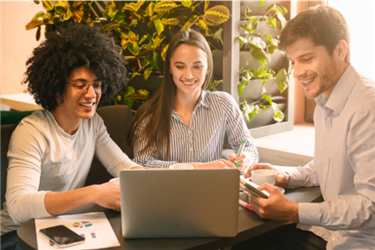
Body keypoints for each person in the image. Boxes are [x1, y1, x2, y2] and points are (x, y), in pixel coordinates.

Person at [234, 5, 375, 250]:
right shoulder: (324, 102)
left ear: (340, 50)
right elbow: (326, 168)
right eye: (293, 61)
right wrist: (286, 177)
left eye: (307, 59)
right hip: (328, 234)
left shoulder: (367, 108)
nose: (297, 72)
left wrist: (294, 210)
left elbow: (370, 207)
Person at [0, 25, 143, 250]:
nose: (91, 93)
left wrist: (152, 184)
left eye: (97, 85)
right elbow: (19, 206)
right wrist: (95, 193)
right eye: (80, 85)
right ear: (58, 89)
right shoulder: (31, 132)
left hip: (66, 228)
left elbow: (122, 166)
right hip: (17, 236)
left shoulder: (93, 124)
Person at [128, 30, 259, 172]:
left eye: (197, 66)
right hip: (168, 192)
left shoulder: (224, 103)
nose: (188, 75)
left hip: (212, 191)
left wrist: (245, 158)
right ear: (170, 68)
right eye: (180, 66)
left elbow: (249, 147)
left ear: (207, 67)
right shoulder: (150, 115)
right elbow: (142, 163)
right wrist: (198, 167)